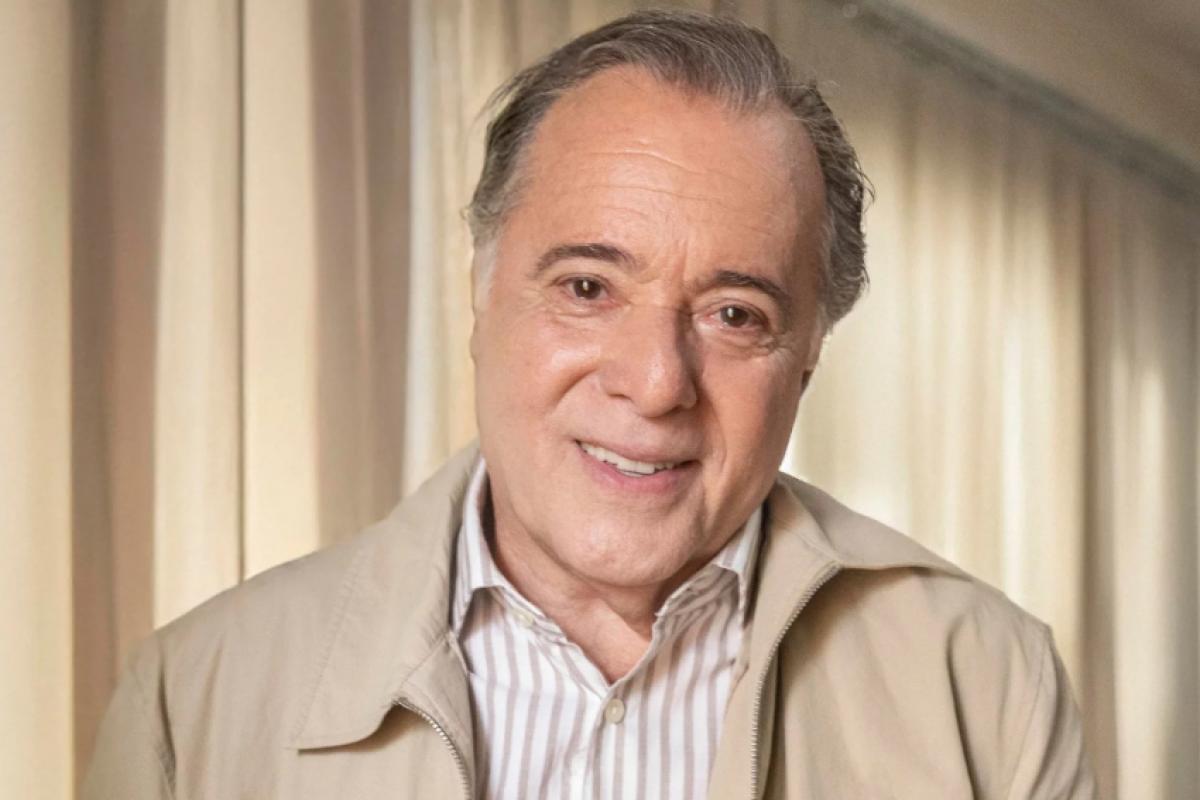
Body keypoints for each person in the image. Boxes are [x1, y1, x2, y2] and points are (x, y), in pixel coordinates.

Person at [84, 9, 1096, 799]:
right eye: (587, 287)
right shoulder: (191, 703)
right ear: (482, 291)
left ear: (809, 357)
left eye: (735, 313)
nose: (655, 382)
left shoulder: (987, 685)